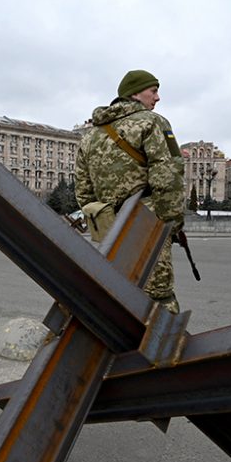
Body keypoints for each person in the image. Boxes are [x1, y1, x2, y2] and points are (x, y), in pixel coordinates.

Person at [75, 69, 185, 313]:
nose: (157, 98)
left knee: (117, 291)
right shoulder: (152, 122)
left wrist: (103, 217)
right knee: (158, 295)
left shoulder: (91, 135)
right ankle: (159, 348)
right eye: (153, 91)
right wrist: (173, 222)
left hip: (109, 227)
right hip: (147, 221)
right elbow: (167, 177)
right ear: (135, 94)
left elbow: (83, 191)